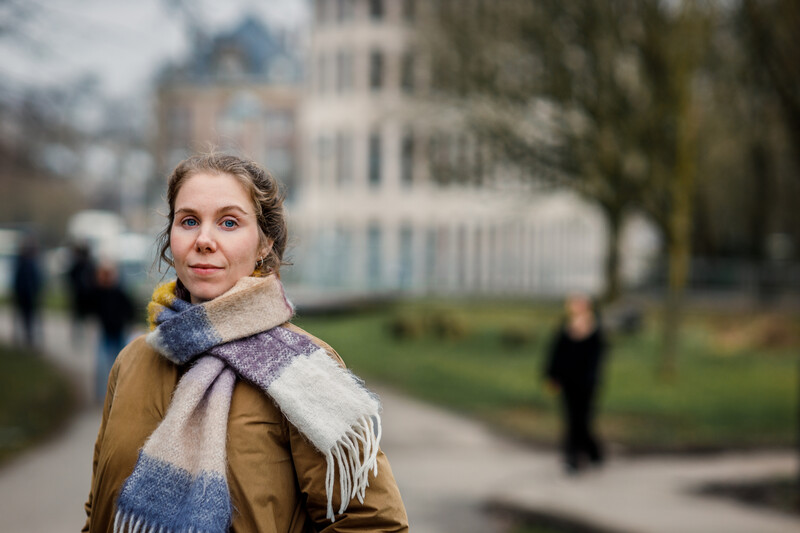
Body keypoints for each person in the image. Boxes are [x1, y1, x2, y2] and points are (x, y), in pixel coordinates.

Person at [83, 153, 408, 533]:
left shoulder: (304, 368)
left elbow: (373, 523)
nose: (204, 240)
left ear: (264, 243)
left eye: (229, 222)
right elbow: (99, 511)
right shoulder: (132, 361)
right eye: (189, 221)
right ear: (171, 239)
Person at [544, 293, 607, 475]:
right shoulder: (565, 328)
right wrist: (552, 376)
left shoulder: (595, 329)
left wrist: (591, 379)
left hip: (586, 385)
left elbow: (597, 359)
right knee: (572, 420)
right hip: (566, 382)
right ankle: (577, 457)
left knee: (582, 421)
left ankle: (588, 454)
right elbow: (555, 354)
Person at [88, 260, 134, 403]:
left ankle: (120, 393)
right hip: (105, 333)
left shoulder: (119, 291)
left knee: (120, 365)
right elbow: (86, 302)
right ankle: (101, 395)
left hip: (119, 332)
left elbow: (130, 309)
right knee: (102, 366)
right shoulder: (98, 292)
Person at [12, 234, 43, 347]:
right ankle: (28, 338)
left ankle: (29, 338)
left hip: (28, 294)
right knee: (27, 318)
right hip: (26, 294)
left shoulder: (27, 262)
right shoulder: (27, 262)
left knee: (28, 318)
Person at [66, 241, 97, 347]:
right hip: (84, 297)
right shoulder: (86, 264)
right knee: (84, 319)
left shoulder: (80, 264)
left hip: (82, 296)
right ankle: (83, 338)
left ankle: (80, 338)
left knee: (81, 319)